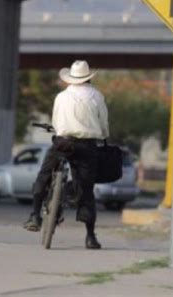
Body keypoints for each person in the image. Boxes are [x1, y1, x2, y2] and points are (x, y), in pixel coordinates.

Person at [24, 60, 109, 249]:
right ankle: (90, 237)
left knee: (44, 176)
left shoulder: (61, 96)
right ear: (88, 78)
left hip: (62, 143)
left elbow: (56, 121)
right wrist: (103, 136)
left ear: (71, 78)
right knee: (86, 190)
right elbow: (103, 122)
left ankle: (35, 215)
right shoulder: (96, 96)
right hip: (87, 146)